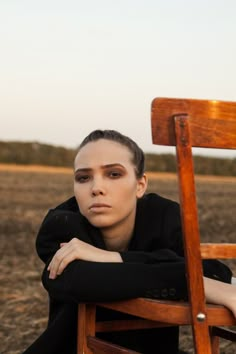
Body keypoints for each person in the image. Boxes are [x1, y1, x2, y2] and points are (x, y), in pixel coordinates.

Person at [22, 129, 236, 354]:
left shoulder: (163, 216)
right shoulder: (62, 225)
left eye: (114, 174)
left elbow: (214, 271)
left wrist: (113, 258)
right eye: (83, 177)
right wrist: (191, 282)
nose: (96, 188)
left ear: (140, 185)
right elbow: (81, 281)